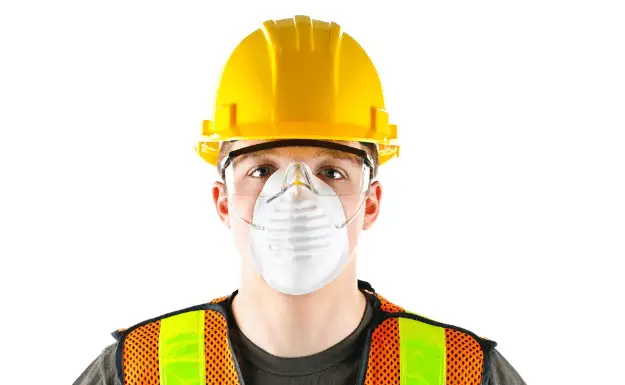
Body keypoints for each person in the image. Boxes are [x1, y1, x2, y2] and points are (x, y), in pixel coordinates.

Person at [74, 15, 526, 385]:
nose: (295, 196)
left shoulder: (460, 373)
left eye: (331, 172)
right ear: (223, 202)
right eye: (261, 170)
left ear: (371, 202)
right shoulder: (139, 371)